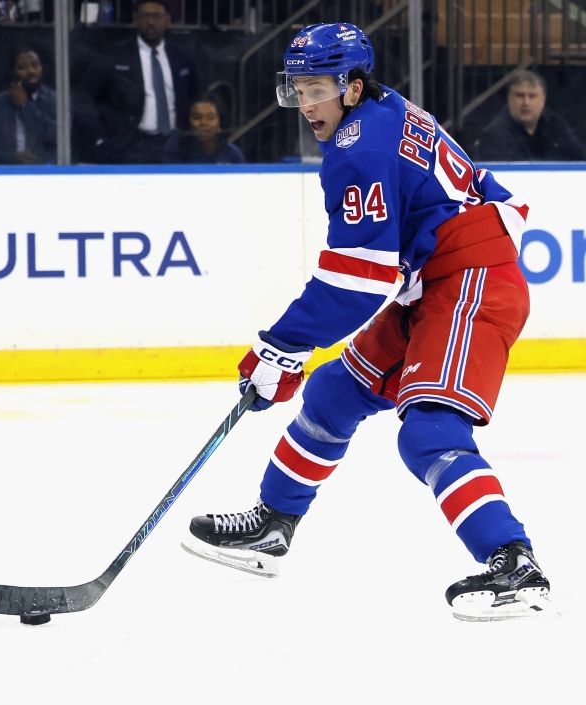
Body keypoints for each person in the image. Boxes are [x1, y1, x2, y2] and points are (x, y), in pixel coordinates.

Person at [181, 23, 553, 621]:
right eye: (297, 90)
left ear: (353, 86)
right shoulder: (384, 107)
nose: (305, 105)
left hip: (470, 281)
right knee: (334, 393)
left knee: (428, 431)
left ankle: (514, 563)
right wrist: (293, 353)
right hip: (432, 280)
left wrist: (280, 349)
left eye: (317, 89)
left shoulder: (360, 147)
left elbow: (358, 280)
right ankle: (273, 526)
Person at [83, 0, 200, 163]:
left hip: (176, 145)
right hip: (130, 146)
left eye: (157, 16)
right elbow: (86, 97)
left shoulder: (182, 56)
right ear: (135, 19)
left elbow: (196, 95)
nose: (151, 22)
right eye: (145, 16)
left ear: (167, 20)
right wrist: (102, 139)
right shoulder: (114, 55)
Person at [0, 47, 57, 165]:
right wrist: (9, 158)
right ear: (12, 72)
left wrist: (25, 106)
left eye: (35, 65)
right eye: (22, 68)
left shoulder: (56, 102)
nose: (31, 71)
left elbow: (56, 138)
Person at [471, 70, 586, 161]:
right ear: (509, 99)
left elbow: (580, 158)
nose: (526, 103)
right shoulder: (494, 134)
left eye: (532, 96)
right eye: (520, 96)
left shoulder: (553, 123)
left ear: (543, 99)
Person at [162, 93, 244, 164]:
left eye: (210, 118)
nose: (203, 123)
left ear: (220, 123)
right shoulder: (174, 152)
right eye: (196, 117)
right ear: (188, 121)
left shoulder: (232, 155)